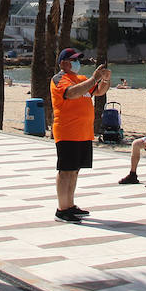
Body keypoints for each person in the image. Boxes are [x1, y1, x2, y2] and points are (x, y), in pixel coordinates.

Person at [51, 48, 110, 223]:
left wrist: (105, 79)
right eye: (73, 60)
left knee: (75, 171)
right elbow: (71, 93)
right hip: (67, 131)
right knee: (66, 171)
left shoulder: (82, 79)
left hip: (83, 132)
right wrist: (94, 78)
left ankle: (70, 205)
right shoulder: (59, 79)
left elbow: (98, 91)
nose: (77, 63)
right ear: (63, 63)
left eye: (77, 60)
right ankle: (62, 209)